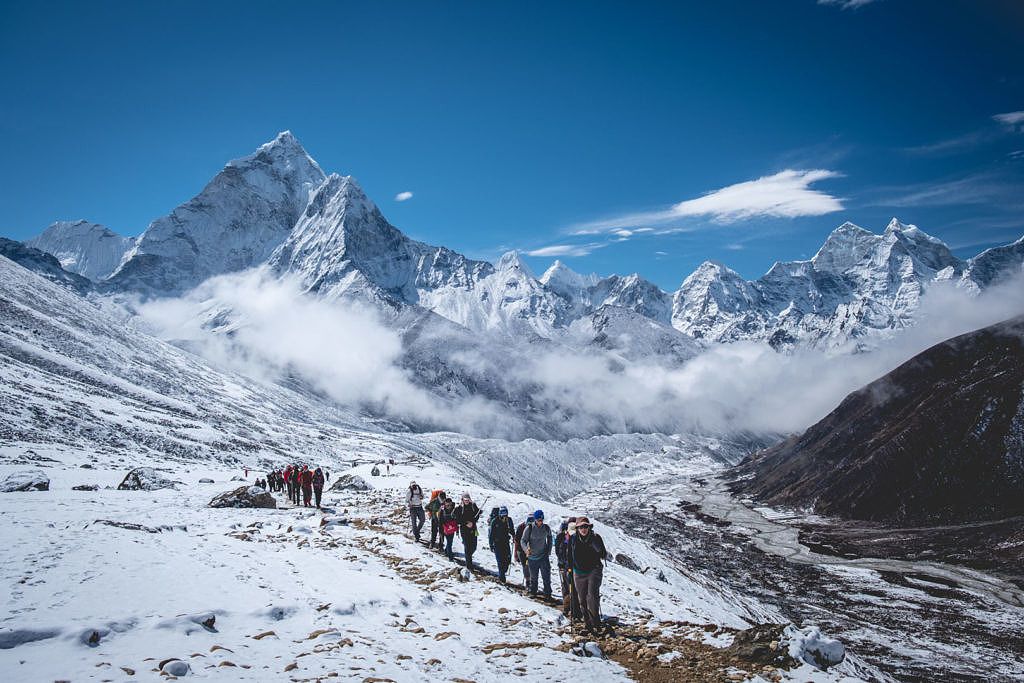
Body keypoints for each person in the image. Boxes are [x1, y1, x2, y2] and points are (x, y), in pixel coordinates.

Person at [570, 516, 607, 634]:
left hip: (594, 570)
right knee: (582, 599)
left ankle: (595, 623)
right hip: (578, 572)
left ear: (589, 527)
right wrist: (569, 569)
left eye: (585, 526)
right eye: (581, 527)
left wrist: (596, 547)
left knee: (592, 597)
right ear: (577, 528)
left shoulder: (595, 538)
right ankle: (588, 624)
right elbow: (569, 555)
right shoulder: (573, 539)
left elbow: (603, 554)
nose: (584, 529)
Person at [521, 510, 552, 599]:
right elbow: (523, 540)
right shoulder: (529, 528)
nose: (540, 521)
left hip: (543, 556)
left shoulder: (546, 528)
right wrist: (526, 550)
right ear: (535, 519)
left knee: (546, 576)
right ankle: (533, 592)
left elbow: (550, 538)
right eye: (538, 519)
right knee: (534, 577)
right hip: (532, 557)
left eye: (542, 519)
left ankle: (547, 594)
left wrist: (549, 550)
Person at [556, 518, 583, 620]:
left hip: (571, 567)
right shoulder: (562, 538)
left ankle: (574, 610)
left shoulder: (574, 538)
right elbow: (559, 552)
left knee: (573, 589)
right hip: (564, 567)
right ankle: (568, 608)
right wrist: (563, 564)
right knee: (567, 588)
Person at [489, 506, 515, 584]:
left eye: (505, 514)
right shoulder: (495, 521)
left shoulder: (509, 520)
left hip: (506, 542)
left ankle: (503, 572)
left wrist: (514, 536)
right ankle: (502, 578)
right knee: (500, 561)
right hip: (497, 543)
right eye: (503, 514)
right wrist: (491, 544)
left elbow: (512, 529)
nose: (504, 516)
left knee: (508, 559)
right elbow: (491, 534)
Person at [454, 493, 481, 571]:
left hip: (473, 529)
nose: (467, 501)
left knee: (474, 547)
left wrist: (473, 522)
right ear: (462, 499)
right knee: (467, 547)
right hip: (464, 530)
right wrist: (466, 523)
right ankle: (469, 565)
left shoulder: (473, 506)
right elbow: (457, 519)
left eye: (468, 499)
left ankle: (468, 557)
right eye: (465, 500)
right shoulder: (459, 508)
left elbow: (477, 515)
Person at [514, 516, 531, 589]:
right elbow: (517, 540)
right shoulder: (520, 527)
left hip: (530, 550)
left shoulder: (534, 528)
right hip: (521, 550)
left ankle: (529, 581)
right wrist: (516, 553)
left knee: (529, 566)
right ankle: (528, 581)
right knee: (525, 565)